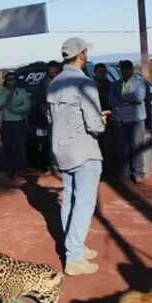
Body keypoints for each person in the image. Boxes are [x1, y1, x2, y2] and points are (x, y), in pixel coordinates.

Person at [47, 37, 108, 276]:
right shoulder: (85, 83)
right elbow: (94, 125)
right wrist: (102, 120)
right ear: (81, 54)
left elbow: (53, 118)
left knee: (70, 199)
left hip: (62, 150)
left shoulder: (54, 83)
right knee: (84, 203)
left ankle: (75, 246)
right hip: (84, 150)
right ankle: (73, 257)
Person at [108, 59, 147, 184]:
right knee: (121, 149)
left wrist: (122, 97)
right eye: (123, 70)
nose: (125, 73)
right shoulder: (115, 84)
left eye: (127, 70)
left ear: (132, 70)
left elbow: (139, 97)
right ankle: (124, 173)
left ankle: (138, 173)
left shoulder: (139, 83)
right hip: (120, 120)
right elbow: (111, 101)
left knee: (136, 147)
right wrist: (127, 99)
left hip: (136, 120)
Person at [0, 72, 31, 178]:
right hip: (5, 123)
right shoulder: (1, 92)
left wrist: (15, 110)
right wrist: (7, 99)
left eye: (13, 79)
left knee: (20, 146)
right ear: (6, 81)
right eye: (9, 79)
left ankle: (21, 168)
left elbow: (27, 105)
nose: (11, 81)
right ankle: (10, 167)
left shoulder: (21, 91)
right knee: (8, 146)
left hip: (19, 122)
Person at [41, 61, 63, 177]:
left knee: (64, 141)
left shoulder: (64, 81)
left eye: (55, 70)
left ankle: (63, 166)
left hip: (64, 115)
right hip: (50, 114)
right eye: (51, 70)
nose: (53, 72)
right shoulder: (44, 82)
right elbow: (41, 99)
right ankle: (53, 167)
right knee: (52, 141)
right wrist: (44, 111)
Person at [93, 63, 114, 178]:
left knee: (108, 146)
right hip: (93, 119)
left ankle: (108, 171)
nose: (102, 74)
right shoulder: (90, 86)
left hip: (109, 120)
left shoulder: (111, 86)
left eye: (104, 72)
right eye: (99, 72)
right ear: (95, 73)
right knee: (96, 147)